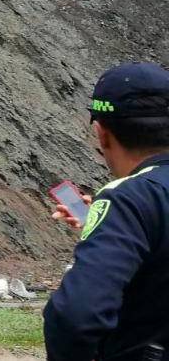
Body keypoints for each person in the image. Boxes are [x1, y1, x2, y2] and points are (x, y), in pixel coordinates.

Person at [45, 62, 169, 361]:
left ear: (102, 134)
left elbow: (77, 315)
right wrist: (104, 227)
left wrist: (117, 216)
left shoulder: (129, 199)